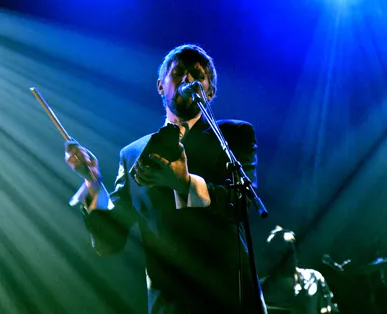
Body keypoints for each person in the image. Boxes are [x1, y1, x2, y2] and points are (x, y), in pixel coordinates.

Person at [65, 43, 266, 314]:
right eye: (178, 72)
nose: (188, 78)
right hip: (171, 305)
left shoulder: (234, 135)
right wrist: (92, 182)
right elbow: (109, 242)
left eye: (198, 75)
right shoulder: (132, 154)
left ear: (210, 92)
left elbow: (241, 202)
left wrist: (184, 183)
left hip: (231, 298)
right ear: (161, 86)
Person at [260, 226, 339, 314]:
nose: (288, 257)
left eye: (291, 250)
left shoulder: (314, 277)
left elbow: (332, 309)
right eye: (283, 252)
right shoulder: (261, 290)